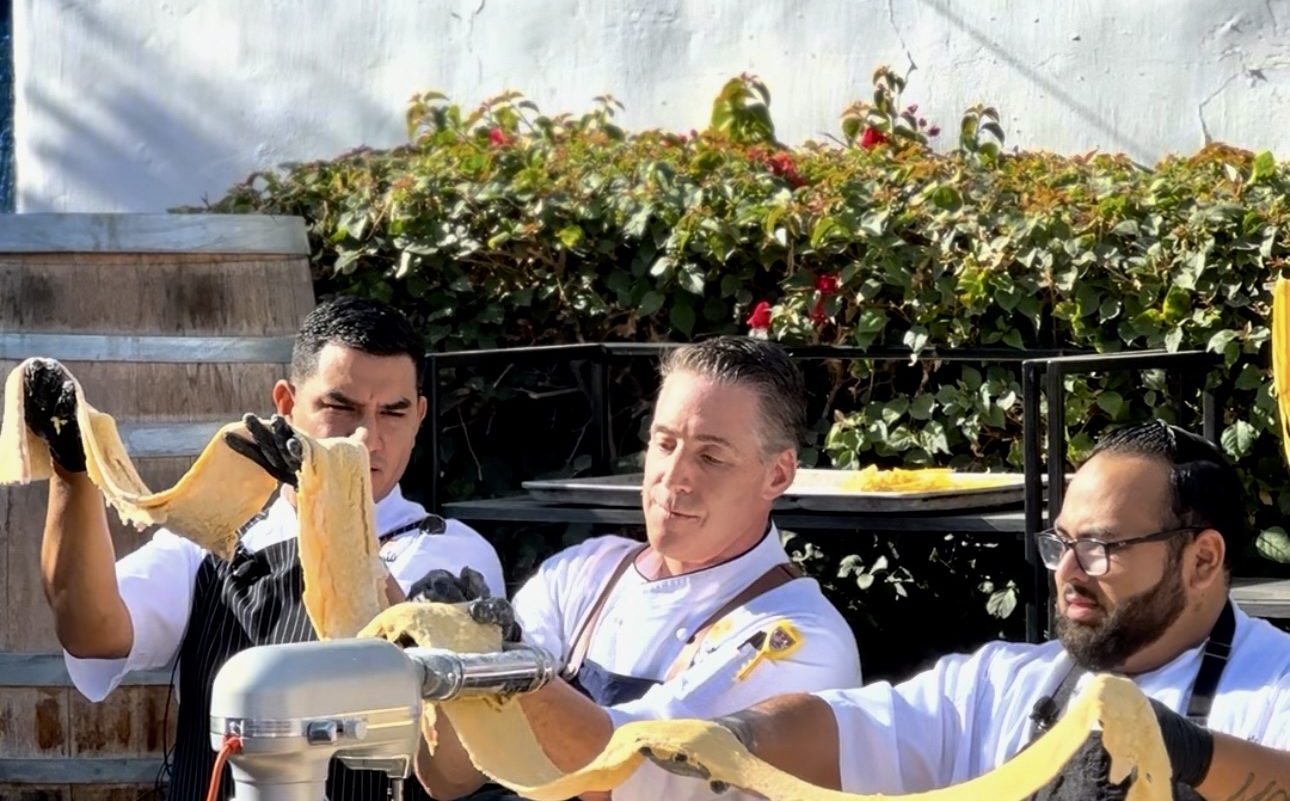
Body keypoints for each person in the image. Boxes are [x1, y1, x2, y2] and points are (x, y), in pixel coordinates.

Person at [642, 419, 1290, 800]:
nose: (1066, 572)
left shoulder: (1275, 686)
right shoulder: (1001, 684)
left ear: (1203, 559)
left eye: (1099, 548)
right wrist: (734, 735)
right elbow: (845, 725)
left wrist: (1190, 753)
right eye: (1061, 543)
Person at [28, 295, 507, 801]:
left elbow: (453, 771)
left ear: (419, 416)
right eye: (340, 407)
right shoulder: (215, 540)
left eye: (393, 412)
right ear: (286, 404)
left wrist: (333, 509)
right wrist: (72, 472)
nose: (367, 437)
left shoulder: (450, 554)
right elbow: (92, 631)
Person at [418, 335, 863, 801]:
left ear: (778, 474)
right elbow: (451, 777)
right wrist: (454, 652)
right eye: (665, 444)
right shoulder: (583, 574)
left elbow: (620, 772)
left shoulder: (799, 640)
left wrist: (501, 666)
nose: (674, 476)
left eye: (710, 456)